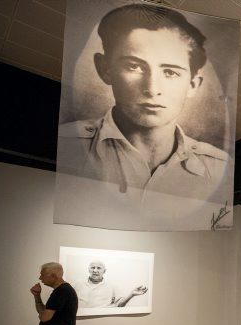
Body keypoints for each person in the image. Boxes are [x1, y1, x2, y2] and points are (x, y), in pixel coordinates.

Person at [58, 3, 228, 203]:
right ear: (105, 69)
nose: (152, 88)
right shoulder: (67, 146)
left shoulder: (218, 169)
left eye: (170, 72)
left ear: (192, 84)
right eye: (134, 66)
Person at [75, 260, 148, 308]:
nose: (95, 270)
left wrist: (131, 295)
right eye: (93, 267)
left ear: (104, 271)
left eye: (98, 268)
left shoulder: (111, 286)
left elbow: (119, 305)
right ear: (89, 270)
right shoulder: (77, 285)